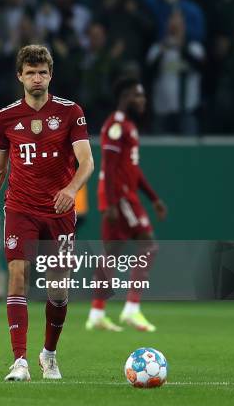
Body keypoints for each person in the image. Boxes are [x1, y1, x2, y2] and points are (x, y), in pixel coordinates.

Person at [0, 45, 94, 381]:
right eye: (30, 73)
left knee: (58, 290)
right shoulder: (5, 117)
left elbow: (86, 161)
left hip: (58, 211)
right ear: (20, 76)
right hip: (20, 208)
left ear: (51, 75)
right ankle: (20, 361)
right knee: (18, 274)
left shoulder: (71, 112)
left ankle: (49, 355)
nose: (37, 79)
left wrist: (71, 190)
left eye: (42, 72)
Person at [86, 76, 167, 332]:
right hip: (119, 197)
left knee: (111, 254)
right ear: (125, 97)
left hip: (123, 195)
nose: (142, 100)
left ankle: (97, 313)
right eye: (138, 95)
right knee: (148, 245)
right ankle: (132, 308)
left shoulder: (129, 126)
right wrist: (110, 203)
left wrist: (153, 198)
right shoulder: (116, 126)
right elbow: (108, 167)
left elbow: (133, 169)